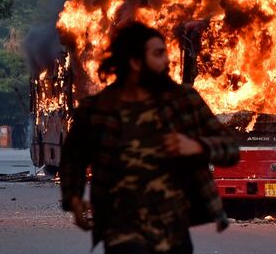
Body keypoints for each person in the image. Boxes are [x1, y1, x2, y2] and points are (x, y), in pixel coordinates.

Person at [60, 22, 239, 254]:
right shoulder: (98, 109)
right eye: (158, 54)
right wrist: (73, 199)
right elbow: (73, 158)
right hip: (121, 232)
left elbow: (230, 148)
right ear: (135, 62)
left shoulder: (183, 101)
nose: (167, 61)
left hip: (173, 230)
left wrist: (197, 146)